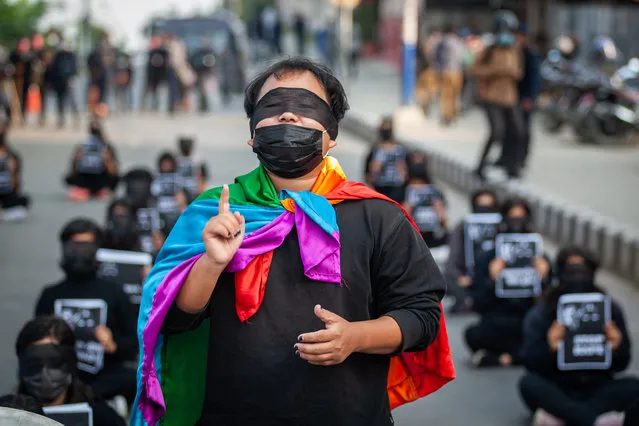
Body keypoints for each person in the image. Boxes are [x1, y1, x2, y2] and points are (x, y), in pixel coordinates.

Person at [131, 57, 454, 426]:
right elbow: (170, 320)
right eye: (273, 106)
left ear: (331, 134)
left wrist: (354, 337)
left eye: (305, 105)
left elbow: (421, 317)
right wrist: (211, 262)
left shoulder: (379, 216)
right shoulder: (213, 214)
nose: (288, 116)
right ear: (252, 134)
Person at [519, 247, 639, 426]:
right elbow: (530, 361)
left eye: (582, 271)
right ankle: (594, 421)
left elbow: (622, 363)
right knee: (529, 384)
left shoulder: (609, 309)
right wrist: (550, 346)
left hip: (597, 385)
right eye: (571, 271)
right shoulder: (544, 309)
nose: (577, 277)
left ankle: (566, 418)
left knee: (633, 386)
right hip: (558, 385)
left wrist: (616, 345)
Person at [34, 219, 138, 404]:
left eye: (86, 246)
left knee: (136, 379)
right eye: (75, 246)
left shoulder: (114, 293)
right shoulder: (50, 295)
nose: (80, 253)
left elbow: (133, 342)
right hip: (60, 381)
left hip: (105, 379)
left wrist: (113, 344)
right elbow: (31, 346)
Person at [464, 197, 551, 367]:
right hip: (499, 321)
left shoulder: (540, 257)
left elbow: (551, 305)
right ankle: (517, 356)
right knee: (473, 335)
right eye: (513, 218)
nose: (517, 223)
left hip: (528, 320)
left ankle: (505, 358)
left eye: (521, 218)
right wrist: (491, 278)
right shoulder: (489, 256)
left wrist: (544, 278)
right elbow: (478, 302)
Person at [8, 316, 126, 426]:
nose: (45, 373)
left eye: (55, 363)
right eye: (34, 364)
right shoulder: (6, 415)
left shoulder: (100, 416)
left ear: (70, 364)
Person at [471, 10, 525, 180]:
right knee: (496, 132)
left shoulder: (515, 49)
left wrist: (512, 72)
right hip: (492, 97)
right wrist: (494, 71)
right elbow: (473, 69)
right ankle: (480, 167)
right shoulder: (488, 51)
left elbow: (519, 72)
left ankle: (513, 167)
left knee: (519, 132)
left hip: (510, 98)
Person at [444, 189, 500, 313]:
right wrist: (459, 277)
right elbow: (452, 259)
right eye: (481, 207)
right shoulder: (463, 227)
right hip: (467, 278)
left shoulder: (502, 228)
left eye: (489, 207)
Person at [402, 154, 449, 266]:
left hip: (433, 242)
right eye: (414, 183)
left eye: (421, 183)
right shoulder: (402, 193)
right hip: (411, 242)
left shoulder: (436, 194)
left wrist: (440, 213)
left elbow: (444, 225)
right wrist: (406, 208)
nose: (417, 187)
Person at [509, 25, 541, 170]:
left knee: (524, 131)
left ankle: (521, 160)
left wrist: (529, 98)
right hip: (514, 97)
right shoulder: (515, 52)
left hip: (525, 98)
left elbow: (534, 79)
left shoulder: (530, 53)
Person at [64, 118, 119, 201]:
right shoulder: (83, 145)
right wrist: (77, 160)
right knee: (68, 178)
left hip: (101, 177)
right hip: (85, 176)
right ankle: (85, 190)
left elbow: (113, 170)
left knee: (116, 178)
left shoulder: (106, 146)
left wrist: (106, 161)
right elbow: (73, 168)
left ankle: (95, 191)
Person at [365, 117, 408, 203]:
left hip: (396, 188)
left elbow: (404, 169)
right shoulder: (376, 148)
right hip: (380, 187)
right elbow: (369, 170)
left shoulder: (399, 148)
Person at [0, 110, 30, 221]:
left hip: (6, 192)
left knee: (22, 200)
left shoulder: (11, 156)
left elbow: (16, 182)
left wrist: (12, 172)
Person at [435, 24, 466, 125]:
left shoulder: (442, 42)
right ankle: (454, 115)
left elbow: (436, 56)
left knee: (445, 95)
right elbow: (463, 57)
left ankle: (445, 116)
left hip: (445, 72)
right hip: (457, 72)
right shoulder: (459, 42)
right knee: (455, 94)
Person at [43, 40, 78, 128]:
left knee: (72, 102)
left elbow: (74, 68)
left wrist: (73, 77)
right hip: (58, 82)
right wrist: (50, 82)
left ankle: (76, 120)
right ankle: (61, 120)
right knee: (60, 102)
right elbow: (52, 70)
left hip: (69, 81)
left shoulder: (71, 56)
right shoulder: (56, 56)